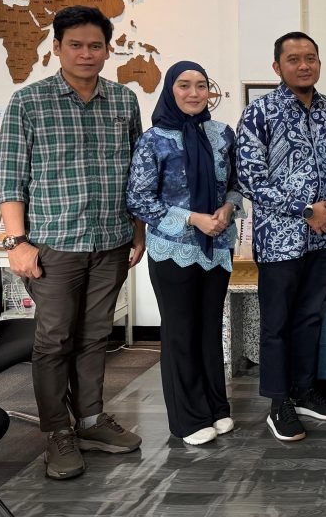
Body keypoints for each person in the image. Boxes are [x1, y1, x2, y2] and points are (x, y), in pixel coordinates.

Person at [0, 5, 144, 480]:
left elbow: (137, 175)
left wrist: (138, 229)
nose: (86, 54)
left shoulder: (123, 101)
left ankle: (92, 421)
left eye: (95, 46)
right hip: (53, 245)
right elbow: (11, 179)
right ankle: (57, 431)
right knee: (55, 339)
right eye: (75, 45)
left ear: (107, 50)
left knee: (95, 336)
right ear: (57, 48)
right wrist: (17, 242)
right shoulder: (29, 102)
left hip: (111, 240)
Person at [236, 32, 326, 442]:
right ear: (277, 66)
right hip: (279, 239)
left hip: (323, 239)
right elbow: (250, 178)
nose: (304, 65)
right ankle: (278, 402)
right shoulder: (259, 112)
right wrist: (306, 211)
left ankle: (304, 391)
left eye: (311, 58)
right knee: (277, 324)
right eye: (294, 59)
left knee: (310, 318)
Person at [126, 61, 243, 446]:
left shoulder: (222, 134)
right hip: (172, 249)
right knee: (180, 332)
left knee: (210, 329)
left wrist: (227, 209)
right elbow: (139, 199)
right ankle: (188, 419)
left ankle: (216, 408)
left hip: (217, 247)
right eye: (184, 85)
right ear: (170, 91)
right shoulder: (154, 140)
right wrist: (193, 219)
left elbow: (235, 183)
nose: (194, 93)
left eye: (201, 85)